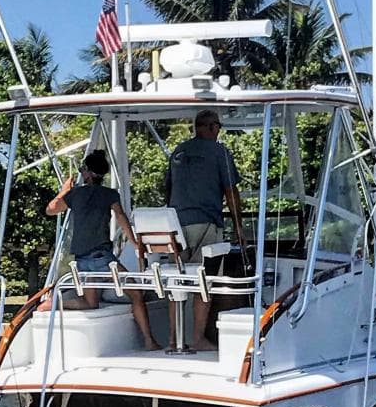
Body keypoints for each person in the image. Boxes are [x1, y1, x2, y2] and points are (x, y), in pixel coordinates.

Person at [42, 149, 160, 350]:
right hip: (103, 259)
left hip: (82, 261)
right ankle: (149, 341)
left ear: (87, 172)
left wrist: (64, 190)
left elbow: (50, 209)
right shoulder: (109, 194)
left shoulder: (74, 195)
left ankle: (54, 302)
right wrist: (135, 243)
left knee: (90, 304)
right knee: (136, 295)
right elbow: (121, 217)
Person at [164, 109, 248, 350]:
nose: (218, 131)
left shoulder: (178, 151)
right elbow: (231, 191)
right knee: (204, 281)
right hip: (206, 221)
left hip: (175, 225)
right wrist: (239, 227)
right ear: (211, 128)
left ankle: (173, 340)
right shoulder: (219, 152)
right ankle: (198, 339)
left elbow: (168, 190)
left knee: (176, 282)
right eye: (218, 127)